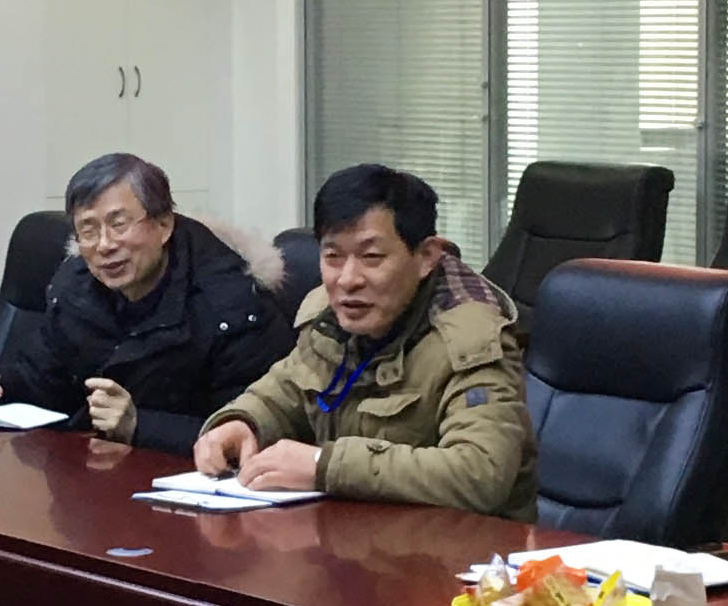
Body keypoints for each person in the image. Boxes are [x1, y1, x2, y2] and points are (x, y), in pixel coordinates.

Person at [192, 163, 533, 516]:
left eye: (371, 257)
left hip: (462, 546)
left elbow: (480, 472)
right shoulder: (327, 317)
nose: (348, 280)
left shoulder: (471, 338)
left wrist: (324, 464)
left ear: (426, 257)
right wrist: (241, 423)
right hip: (354, 533)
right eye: (333, 257)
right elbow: (283, 392)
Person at [0, 151, 290, 452]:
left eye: (119, 224)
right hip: (98, 467)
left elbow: (251, 431)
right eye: (88, 230)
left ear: (163, 225)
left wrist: (140, 425)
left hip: (186, 473)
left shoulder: (234, 304)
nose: (105, 245)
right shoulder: (75, 284)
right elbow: (45, 379)